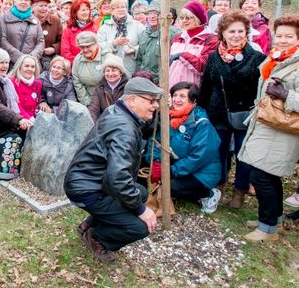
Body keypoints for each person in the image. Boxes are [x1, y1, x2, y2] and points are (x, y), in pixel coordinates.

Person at [64, 77, 161, 262]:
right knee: (139, 227)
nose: (155, 105)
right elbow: (117, 178)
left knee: (139, 192)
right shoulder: (124, 128)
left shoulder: (117, 111)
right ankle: (97, 237)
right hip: (86, 189)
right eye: (151, 101)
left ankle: (87, 224)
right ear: (132, 100)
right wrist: (141, 210)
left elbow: (117, 177)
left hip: (88, 180)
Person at [238, 15, 299, 242]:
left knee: (262, 177)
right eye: (279, 35)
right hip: (268, 125)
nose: (283, 40)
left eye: (289, 36)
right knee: (267, 176)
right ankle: (274, 221)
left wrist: (287, 95)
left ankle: (266, 228)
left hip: (284, 130)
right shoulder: (277, 59)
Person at [199, 10, 266, 208]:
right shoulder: (214, 58)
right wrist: (201, 109)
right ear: (222, 34)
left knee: (243, 154)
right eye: (231, 32)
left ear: (246, 33)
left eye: (240, 31)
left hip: (245, 115)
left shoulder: (257, 58)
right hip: (219, 113)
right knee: (218, 151)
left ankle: (240, 190)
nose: (236, 36)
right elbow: (206, 86)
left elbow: (261, 90)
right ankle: (219, 182)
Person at [146, 82, 222, 213]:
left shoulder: (202, 123)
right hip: (180, 165)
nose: (176, 99)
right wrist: (157, 162)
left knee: (169, 186)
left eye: (182, 96)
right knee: (146, 173)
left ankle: (209, 194)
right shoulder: (169, 116)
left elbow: (198, 158)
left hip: (202, 172)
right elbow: (157, 142)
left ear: (193, 100)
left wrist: (170, 170)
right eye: (174, 95)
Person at [169, 0, 218, 87]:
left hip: (192, 91)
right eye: (182, 18)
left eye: (188, 18)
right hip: (172, 89)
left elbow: (203, 67)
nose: (184, 21)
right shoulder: (179, 37)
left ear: (198, 18)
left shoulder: (211, 40)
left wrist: (182, 55)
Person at [97, 0, 145, 76]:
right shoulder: (104, 28)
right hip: (111, 71)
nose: (121, 9)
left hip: (132, 68)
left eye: (123, 7)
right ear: (112, 10)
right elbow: (98, 47)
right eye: (117, 7)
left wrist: (134, 49)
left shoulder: (138, 26)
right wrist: (114, 43)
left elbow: (146, 44)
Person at [135, 0, 179, 83]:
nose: (152, 17)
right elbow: (139, 59)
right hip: (144, 80)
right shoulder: (144, 33)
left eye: (156, 14)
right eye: (150, 13)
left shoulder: (173, 34)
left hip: (163, 82)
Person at [0, 0, 44, 64]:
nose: (23, 2)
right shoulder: (4, 18)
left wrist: (32, 57)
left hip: (31, 64)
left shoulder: (36, 21)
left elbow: (40, 41)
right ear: (15, 1)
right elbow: (2, 40)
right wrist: (20, 58)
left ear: (30, 3)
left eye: (26, 0)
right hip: (10, 63)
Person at [72, 32, 109, 106]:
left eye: (88, 46)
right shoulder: (78, 60)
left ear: (96, 44)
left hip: (108, 98)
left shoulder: (106, 56)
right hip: (89, 100)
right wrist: (88, 103)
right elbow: (77, 83)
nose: (85, 50)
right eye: (82, 47)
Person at [88, 54, 128, 121]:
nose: (110, 74)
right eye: (107, 70)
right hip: (105, 122)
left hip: (122, 123)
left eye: (114, 70)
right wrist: (92, 124)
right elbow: (93, 109)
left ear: (121, 73)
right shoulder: (99, 87)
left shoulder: (127, 87)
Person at [60, 0, 97, 65]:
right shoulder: (68, 30)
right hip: (75, 66)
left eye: (87, 9)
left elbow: (98, 47)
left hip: (92, 64)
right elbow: (65, 52)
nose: (86, 12)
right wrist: (80, 62)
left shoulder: (94, 27)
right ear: (75, 12)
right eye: (83, 10)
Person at [33, 0, 63, 71]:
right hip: (31, 59)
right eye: (41, 6)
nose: (44, 9)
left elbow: (62, 40)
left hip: (49, 60)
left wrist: (54, 49)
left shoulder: (55, 20)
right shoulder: (27, 20)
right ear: (33, 6)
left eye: (46, 6)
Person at [9, 54, 42, 120]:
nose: (30, 69)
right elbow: (16, 106)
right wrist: (29, 119)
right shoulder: (12, 82)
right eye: (26, 66)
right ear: (20, 67)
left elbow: (38, 102)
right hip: (20, 121)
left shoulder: (38, 83)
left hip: (35, 120)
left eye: (32, 67)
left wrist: (43, 102)